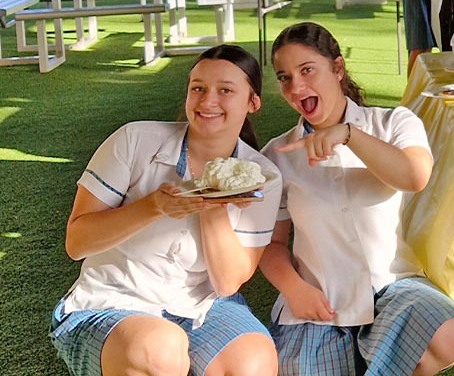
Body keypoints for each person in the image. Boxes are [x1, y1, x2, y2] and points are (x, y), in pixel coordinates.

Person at [49, 45, 282, 376]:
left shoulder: (262, 176)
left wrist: (211, 201)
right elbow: (77, 242)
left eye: (225, 90)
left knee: (254, 362)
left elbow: (228, 282)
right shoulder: (134, 139)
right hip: (112, 301)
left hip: (201, 306)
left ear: (252, 102)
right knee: (160, 350)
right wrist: (153, 206)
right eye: (197, 88)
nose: (207, 101)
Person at [259, 22, 454, 376]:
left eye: (307, 70)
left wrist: (349, 136)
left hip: (392, 288)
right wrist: (295, 290)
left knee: (449, 336)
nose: (296, 87)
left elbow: (414, 175)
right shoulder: (276, 155)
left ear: (337, 68)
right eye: (284, 77)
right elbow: (272, 244)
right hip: (320, 301)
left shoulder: (394, 123)